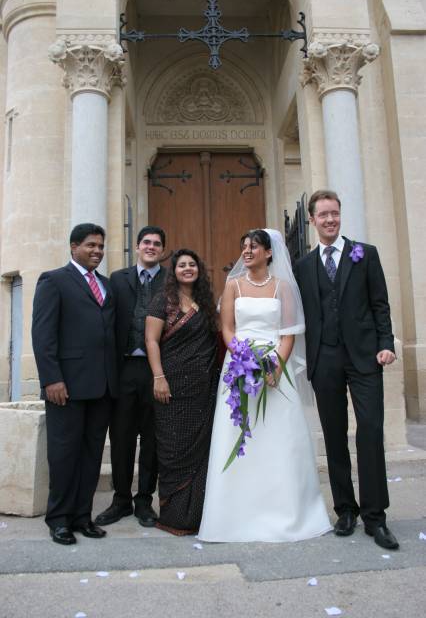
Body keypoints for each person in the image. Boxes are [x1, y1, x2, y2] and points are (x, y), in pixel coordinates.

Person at [198, 229, 331, 542]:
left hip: (275, 368)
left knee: (278, 437)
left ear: (269, 253)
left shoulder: (282, 287)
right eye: (244, 246)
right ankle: (234, 515)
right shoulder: (233, 285)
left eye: (254, 247)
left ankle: (288, 512)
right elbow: (227, 328)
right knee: (240, 433)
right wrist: (243, 358)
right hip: (239, 367)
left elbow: (288, 333)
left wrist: (275, 367)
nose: (247, 251)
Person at [294, 190, 398, 550]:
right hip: (325, 359)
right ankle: (346, 510)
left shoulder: (365, 254)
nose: (330, 220)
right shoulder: (303, 266)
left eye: (334, 213)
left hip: (365, 356)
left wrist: (386, 343)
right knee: (334, 435)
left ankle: (375, 517)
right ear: (311, 220)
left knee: (370, 430)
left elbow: (380, 303)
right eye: (323, 215)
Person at [32, 223, 118, 545]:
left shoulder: (106, 285)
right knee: (64, 455)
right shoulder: (53, 280)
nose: (97, 251)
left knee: (91, 455)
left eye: (101, 246)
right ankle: (59, 520)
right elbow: (43, 335)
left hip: (102, 387)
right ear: (73, 247)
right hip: (66, 387)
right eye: (90, 245)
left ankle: (82, 517)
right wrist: (51, 378)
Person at [95, 227, 167, 528]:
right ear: (137, 246)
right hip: (123, 368)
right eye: (146, 242)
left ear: (162, 250)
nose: (151, 247)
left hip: (158, 370)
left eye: (157, 244)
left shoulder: (171, 279)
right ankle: (121, 499)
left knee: (152, 438)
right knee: (121, 436)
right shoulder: (117, 279)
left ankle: (144, 500)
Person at [145, 249, 219, 535]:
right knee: (173, 450)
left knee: (201, 452)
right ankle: (174, 515)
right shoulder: (163, 301)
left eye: (192, 264)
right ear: (173, 271)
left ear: (199, 269)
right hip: (172, 388)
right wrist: (159, 377)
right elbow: (151, 341)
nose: (187, 269)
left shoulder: (205, 303)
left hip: (203, 390)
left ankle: (197, 515)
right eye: (182, 265)